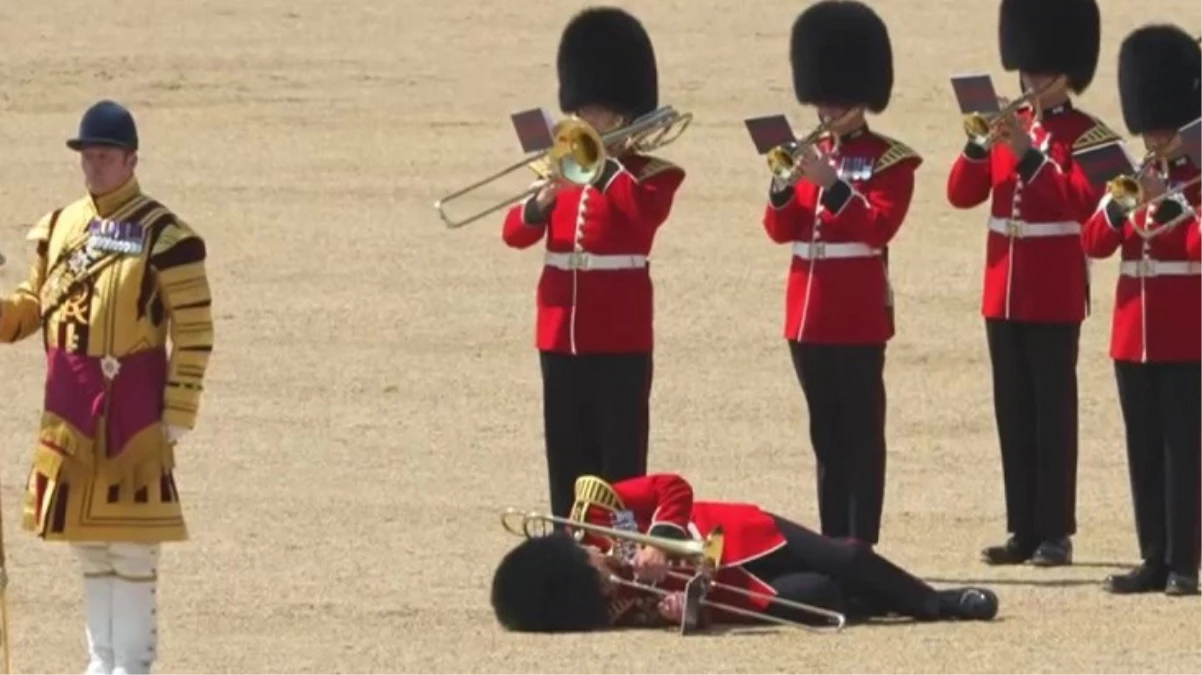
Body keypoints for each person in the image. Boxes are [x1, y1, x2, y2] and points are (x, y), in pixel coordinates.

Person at [0, 99, 214, 673]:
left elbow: (194, 331)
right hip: (67, 413)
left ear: (131, 160)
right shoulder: (61, 226)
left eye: (105, 156)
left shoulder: (165, 235)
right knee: (90, 550)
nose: (94, 166)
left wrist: (179, 408)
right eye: (87, 156)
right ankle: (101, 664)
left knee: (133, 550)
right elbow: (30, 307)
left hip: (134, 416)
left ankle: (134, 665)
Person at [945, 0, 1120, 567]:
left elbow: (1080, 204)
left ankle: (1055, 530)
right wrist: (980, 146)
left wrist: (1026, 157)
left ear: (1069, 73)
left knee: (1052, 411)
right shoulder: (1011, 127)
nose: (1031, 80)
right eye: (1027, 70)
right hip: (1004, 284)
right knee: (1012, 409)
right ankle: (1021, 525)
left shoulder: (1091, 137)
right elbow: (961, 194)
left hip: (1053, 287)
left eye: (1042, 72)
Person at [500, 7, 686, 521]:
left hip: (618, 335)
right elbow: (514, 233)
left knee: (619, 465)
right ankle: (571, 555)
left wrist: (598, 167)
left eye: (594, 112)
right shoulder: (560, 164)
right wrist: (541, 201)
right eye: (579, 108)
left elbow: (642, 215)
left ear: (621, 116)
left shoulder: (651, 173)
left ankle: (622, 563)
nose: (582, 119)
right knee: (566, 456)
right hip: (560, 331)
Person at [761, 0, 921, 547]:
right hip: (806, 316)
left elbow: (878, 226)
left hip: (855, 317)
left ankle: (862, 543)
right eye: (822, 99)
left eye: (837, 99)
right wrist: (782, 188)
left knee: (860, 436)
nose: (827, 109)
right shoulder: (808, 153)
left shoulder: (890, 159)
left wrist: (832, 185)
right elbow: (781, 231)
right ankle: (834, 542)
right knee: (825, 437)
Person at [490, 473, 999, 632]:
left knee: (847, 557)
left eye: (595, 571)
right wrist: (681, 613)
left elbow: (670, 487)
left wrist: (662, 540)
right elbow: (676, 613)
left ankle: (938, 603)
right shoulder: (609, 607)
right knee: (824, 598)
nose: (608, 577)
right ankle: (887, 605)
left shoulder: (595, 512)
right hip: (729, 587)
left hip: (735, 533)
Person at [1081, 24, 1202, 596]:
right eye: (1151, 127)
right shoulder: (1137, 174)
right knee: (1144, 449)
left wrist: (1169, 201)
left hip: (1186, 331)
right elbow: (1093, 243)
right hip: (1134, 332)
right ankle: (1153, 557)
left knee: (1186, 452)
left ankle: (1185, 562)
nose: (1156, 137)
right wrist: (1123, 202)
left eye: (1166, 128)